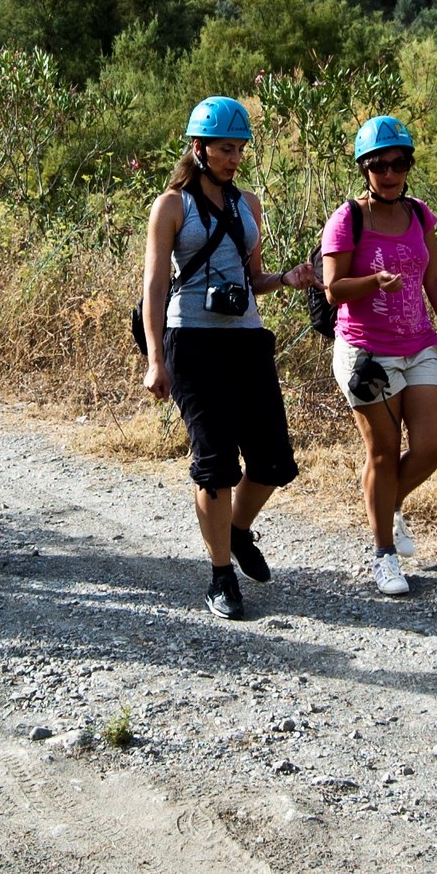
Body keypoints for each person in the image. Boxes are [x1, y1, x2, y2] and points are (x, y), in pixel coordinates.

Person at [139, 97, 316, 620]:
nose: (234, 158)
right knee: (215, 462)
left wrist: (286, 279)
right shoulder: (171, 205)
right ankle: (221, 575)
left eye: (240, 149)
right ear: (199, 148)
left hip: (246, 338)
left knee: (273, 459)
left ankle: (237, 531)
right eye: (224, 149)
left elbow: (252, 277)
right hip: (191, 340)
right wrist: (155, 359)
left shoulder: (248, 205)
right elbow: (154, 286)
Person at [318, 115, 437, 597]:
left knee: (433, 445)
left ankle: (386, 503)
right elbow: (333, 289)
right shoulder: (348, 219)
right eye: (379, 165)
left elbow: (434, 278)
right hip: (365, 352)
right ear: (364, 169)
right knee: (382, 451)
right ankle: (383, 555)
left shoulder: (419, 215)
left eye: (399, 164)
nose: (389, 173)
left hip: (417, 345)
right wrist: (373, 282)